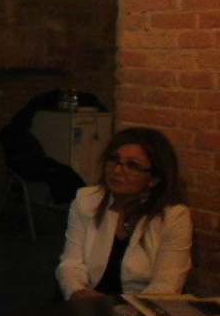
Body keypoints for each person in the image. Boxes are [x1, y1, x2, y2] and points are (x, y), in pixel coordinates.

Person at [56, 127, 192, 300]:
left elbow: (166, 286)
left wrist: (122, 311)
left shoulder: (174, 217)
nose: (117, 170)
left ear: (154, 179)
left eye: (132, 165)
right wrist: (77, 292)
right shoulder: (86, 199)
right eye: (114, 160)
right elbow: (71, 263)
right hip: (87, 300)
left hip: (140, 309)